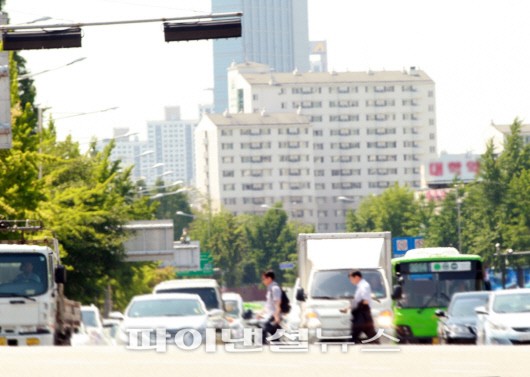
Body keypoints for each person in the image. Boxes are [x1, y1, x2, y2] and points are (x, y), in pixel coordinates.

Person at [341, 270, 379, 344]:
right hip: (364, 314)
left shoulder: (364, 286)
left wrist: (358, 307)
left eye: (351, 279)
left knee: (354, 334)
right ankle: (378, 346)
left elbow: (365, 300)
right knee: (371, 334)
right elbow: (357, 300)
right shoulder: (361, 286)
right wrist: (347, 308)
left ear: (357, 277)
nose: (351, 281)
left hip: (361, 313)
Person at [259, 270, 282, 344]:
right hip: (270, 315)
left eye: (264, 279)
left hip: (273, 315)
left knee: (263, 331)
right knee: (275, 337)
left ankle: (263, 350)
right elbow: (268, 304)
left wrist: (276, 316)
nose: (263, 281)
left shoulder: (275, 288)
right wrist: (261, 313)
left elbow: (277, 303)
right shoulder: (270, 289)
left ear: (269, 279)